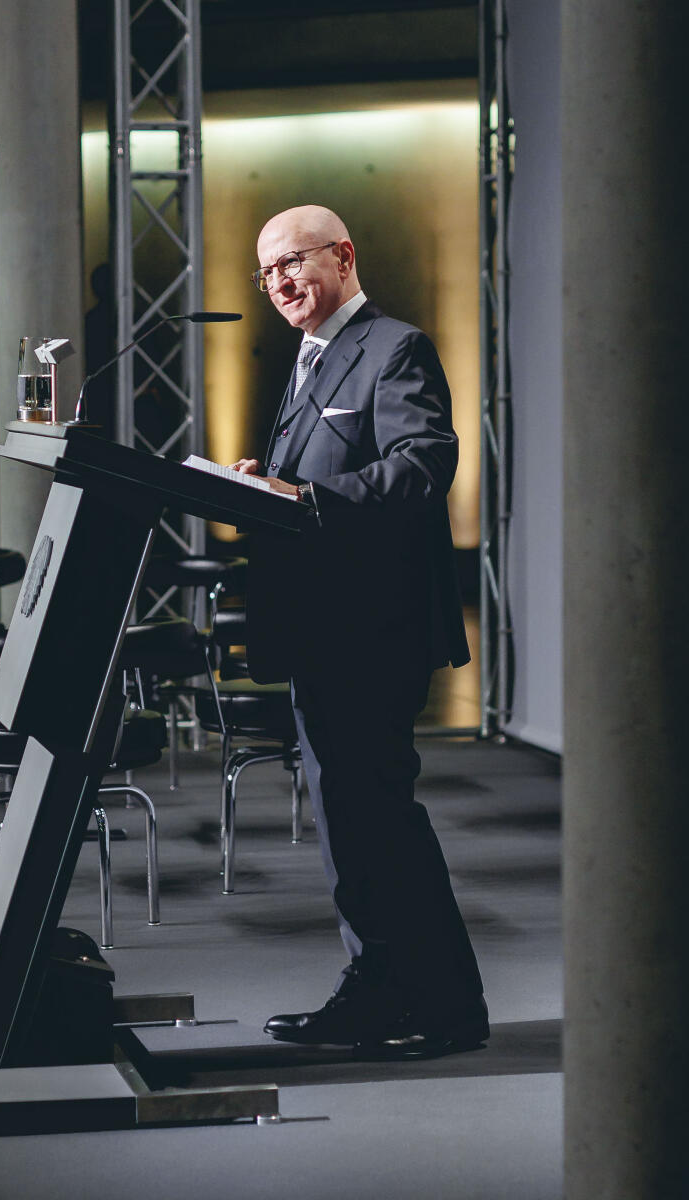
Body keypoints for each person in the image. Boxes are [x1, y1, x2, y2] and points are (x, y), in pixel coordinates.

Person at [230, 205, 487, 1055]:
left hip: (372, 633)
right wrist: (260, 486)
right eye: (266, 273)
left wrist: (301, 498)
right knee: (355, 823)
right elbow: (317, 479)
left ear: (342, 255)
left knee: (375, 819)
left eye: (291, 263)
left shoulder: (392, 347)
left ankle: (432, 1005)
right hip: (324, 630)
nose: (278, 284)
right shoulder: (307, 360)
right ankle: (392, 988)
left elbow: (422, 463)